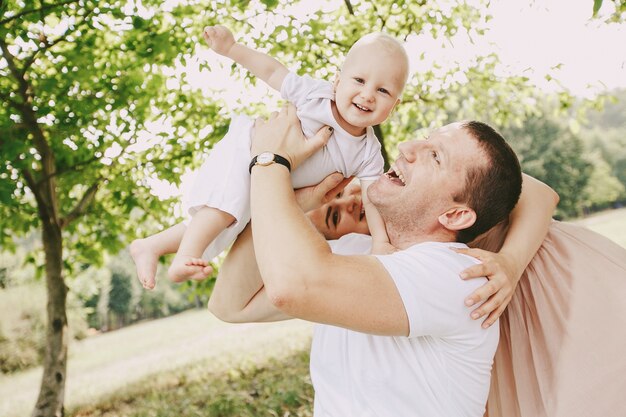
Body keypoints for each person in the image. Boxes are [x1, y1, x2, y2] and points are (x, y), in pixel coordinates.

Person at [240, 153, 626, 416]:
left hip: (554, 283)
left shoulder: (430, 185)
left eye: (339, 192)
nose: (349, 203)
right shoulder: (383, 259)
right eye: (334, 217)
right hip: (495, 319)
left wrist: (510, 262)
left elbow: (538, 192)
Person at [210, 105, 526, 416]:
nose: (407, 147)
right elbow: (231, 305)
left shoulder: (458, 277)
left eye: (435, 156)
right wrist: (297, 199)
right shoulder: (353, 250)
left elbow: (295, 286)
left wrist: (269, 162)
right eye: (425, 140)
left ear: (456, 215)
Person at [130, 26, 409, 289]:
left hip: (268, 179)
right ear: (337, 81)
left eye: (383, 90)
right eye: (359, 80)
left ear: (394, 105)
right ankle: (183, 258)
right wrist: (231, 48)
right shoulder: (316, 96)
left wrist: (380, 242)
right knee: (223, 211)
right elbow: (273, 71)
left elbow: (372, 199)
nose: (368, 94)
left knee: (226, 224)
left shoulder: (368, 152)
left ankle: (151, 246)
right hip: (249, 149)